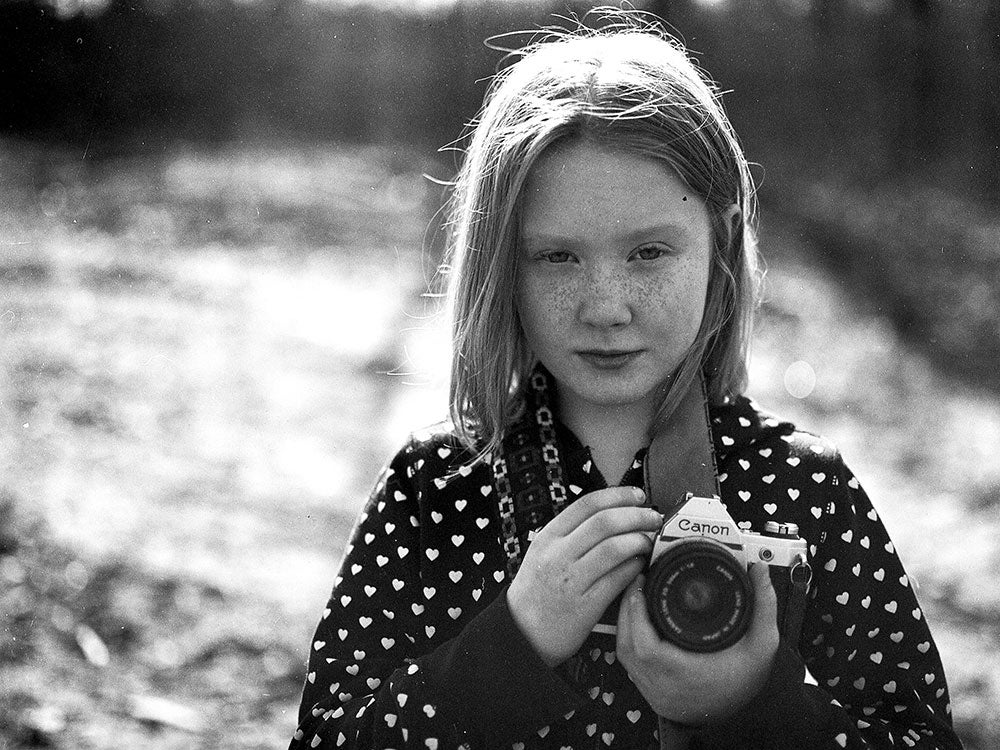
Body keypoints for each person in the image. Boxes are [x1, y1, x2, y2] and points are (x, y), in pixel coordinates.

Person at [289, 11, 962, 750]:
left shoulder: (800, 489)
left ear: (721, 246)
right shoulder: (438, 489)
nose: (606, 308)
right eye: (558, 258)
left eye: (648, 253)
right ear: (500, 264)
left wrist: (755, 706)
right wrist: (512, 648)